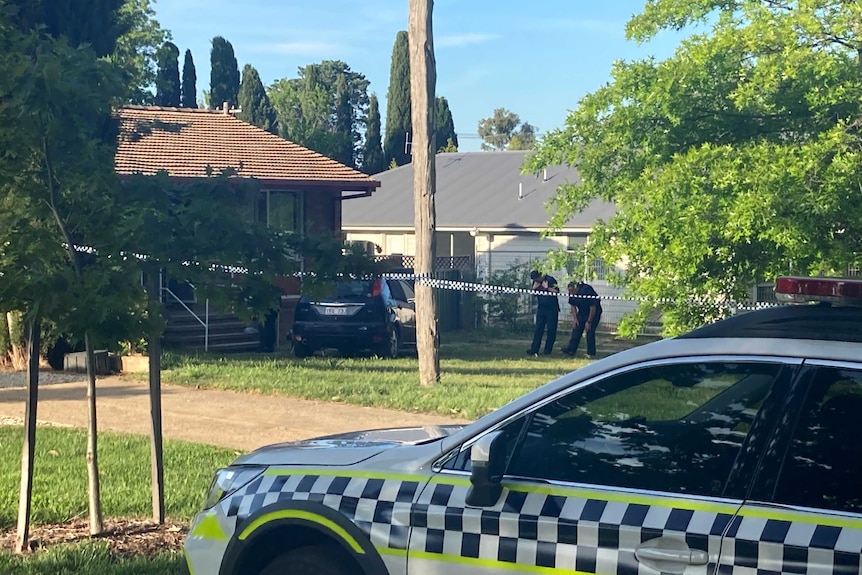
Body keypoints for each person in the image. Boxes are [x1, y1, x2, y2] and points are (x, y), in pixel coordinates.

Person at [561, 281, 602, 358]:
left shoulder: (587, 290)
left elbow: (593, 307)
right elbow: (572, 306)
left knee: (589, 331)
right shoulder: (572, 293)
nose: (571, 293)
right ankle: (571, 350)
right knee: (576, 328)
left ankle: (591, 353)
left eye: (572, 291)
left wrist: (589, 321)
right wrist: (575, 319)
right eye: (569, 291)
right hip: (582, 312)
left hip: (594, 312)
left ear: (577, 288)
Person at [526, 270, 560, 356]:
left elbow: (556, 292)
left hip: (552, 308)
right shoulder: (536, 282)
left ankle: (547, 350)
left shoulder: (550, 280)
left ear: (540, 276)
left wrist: (546, 288)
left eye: (537, 279)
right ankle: (534, 349)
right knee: (538, 329)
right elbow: (534, 294)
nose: (536, 281)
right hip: (541, 308)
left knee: (551, 330)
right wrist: (534, 288)